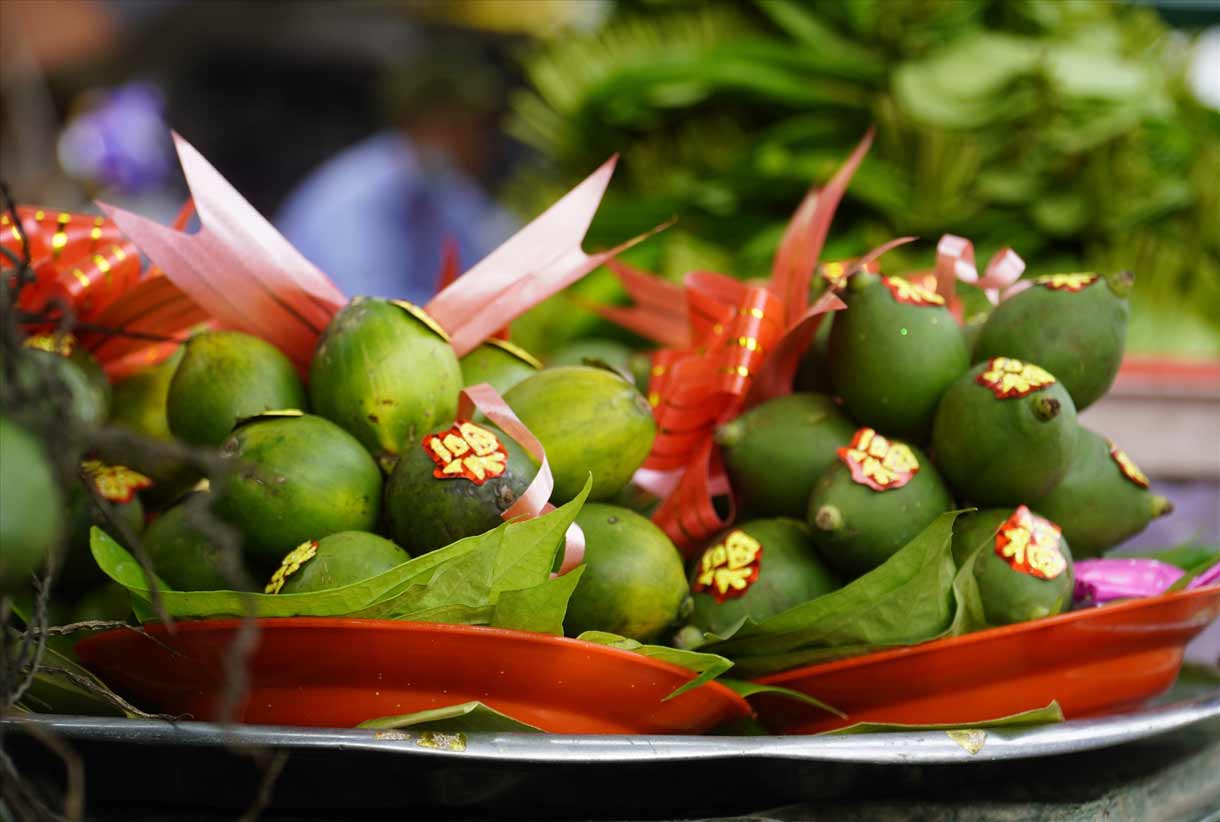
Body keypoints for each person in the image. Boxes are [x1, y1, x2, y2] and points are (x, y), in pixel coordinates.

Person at [275, 32, 518, 303]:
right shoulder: (355, 198)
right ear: (435, 126)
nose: (483, 145)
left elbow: (495, 252)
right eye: (472, 129)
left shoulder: (442, 186)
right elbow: (363, 307)